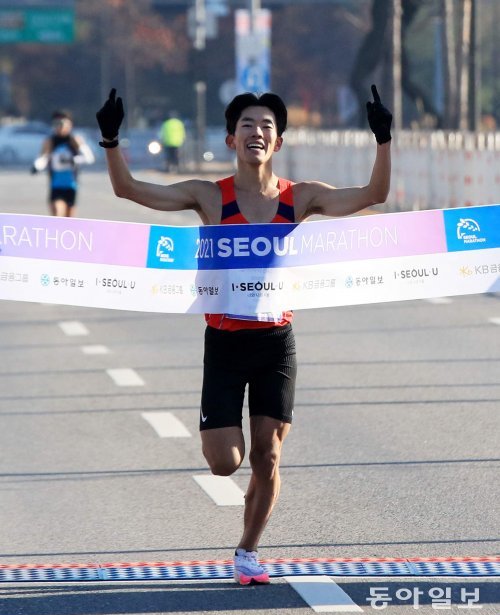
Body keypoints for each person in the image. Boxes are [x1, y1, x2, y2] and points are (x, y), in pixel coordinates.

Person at [96, 85, 392, 585]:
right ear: (232, 139)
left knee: (268, 454)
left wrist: (384, 139)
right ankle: (245, 513)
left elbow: (372, 196)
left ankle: (247, 551)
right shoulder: (209, 196)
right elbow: (130, 190)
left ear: (278, 143)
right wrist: (109, 139)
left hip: (276, 340)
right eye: (248, 126)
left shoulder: (302, 198)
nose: (258, 133)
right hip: (226, 344)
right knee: (224, 462)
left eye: (267, 127)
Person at [31, 110, 95, 217]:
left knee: (69, 220)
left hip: (71, 184)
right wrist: (36, 166)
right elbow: (44, 158)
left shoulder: (74, 140)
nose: (59, 127)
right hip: (56, 184)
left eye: (62, 123)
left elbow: (89, 158)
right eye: (56, 124)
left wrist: (73, 160)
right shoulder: (50, 141)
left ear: (69, 124)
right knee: (57, 212)